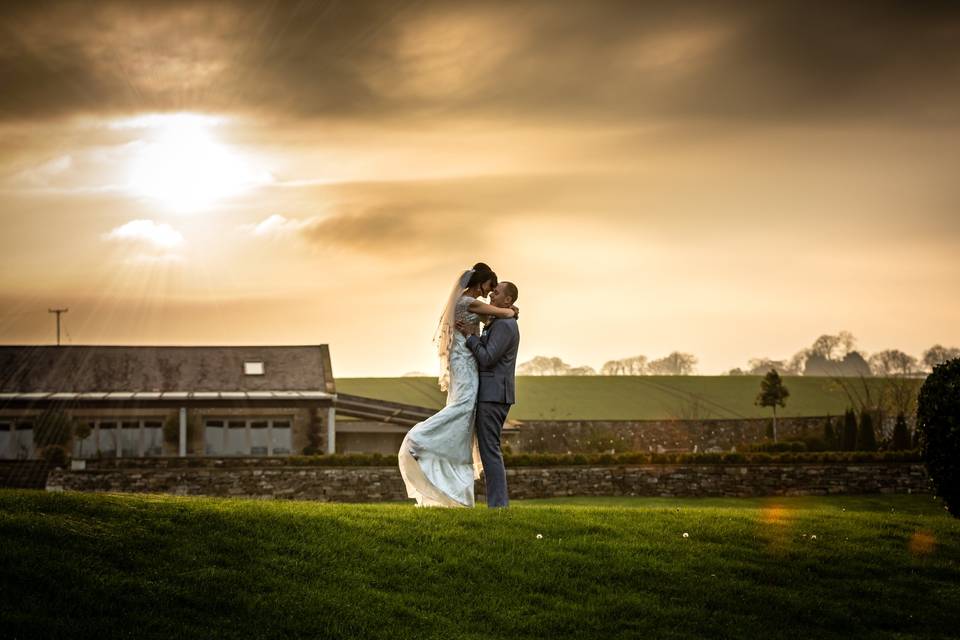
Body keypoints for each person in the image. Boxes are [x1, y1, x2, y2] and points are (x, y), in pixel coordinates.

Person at [397, 264, 517, 507]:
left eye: (496, 290)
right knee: (463, 405)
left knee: (465, 412)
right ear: (480, 282)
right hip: (464, 361)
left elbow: (498, 319)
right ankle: (420, 438)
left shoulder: (480, 308)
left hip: (474, 368)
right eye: (490, 287)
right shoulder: (468, 303)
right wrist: (511, 311)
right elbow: (503, 314)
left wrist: (509, 311)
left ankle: (467, 489)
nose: (490, 292)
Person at [458, 281, 520, 508]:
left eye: (497, 291)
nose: (492, 293)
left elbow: (487, 357)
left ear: (508, 301)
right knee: (489, 449)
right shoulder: (500, 321)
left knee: (490, 450)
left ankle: (498, 505)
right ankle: (498, 504)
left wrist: (469, 336)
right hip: (493, 393)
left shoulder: (505, 325)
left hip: (494, 395)